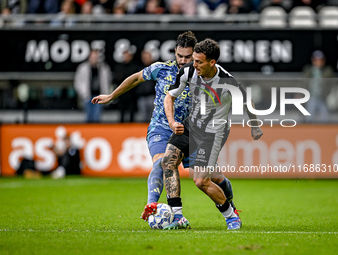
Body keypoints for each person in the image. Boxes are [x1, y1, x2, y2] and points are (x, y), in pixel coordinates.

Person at [91, 32, 237, 221]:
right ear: (175, 52)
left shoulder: (202, 72)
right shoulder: (160, 69)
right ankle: (153, 205)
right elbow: (135, 78)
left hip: (191, 131)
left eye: (188, 57)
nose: (183, 60)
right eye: (180, 55)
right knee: (162, 162)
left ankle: (230, 205)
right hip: (161, 127)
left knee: (214, 177)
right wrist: (111, 96)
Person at [161, 38, 263, 230]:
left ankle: (231, 216)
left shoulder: (227, 81)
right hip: (190, 126)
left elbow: (247, 102)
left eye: (198, 61)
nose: (194, 64)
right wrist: (172, 121)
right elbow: (170, 96)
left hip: (213, 133)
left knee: (200, 181)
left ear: (212, 62)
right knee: (168, 162)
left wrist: (255, 125)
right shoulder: (187, 71)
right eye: (194, 60)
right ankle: (177, 216)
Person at [74, 48, 111, 123]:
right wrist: (83, 93)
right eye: (93, 56)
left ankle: (96, 133)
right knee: (88, 116)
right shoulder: (83, 68)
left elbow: (107, 81)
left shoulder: (103, 68)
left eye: (96, 56)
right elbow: (78, 82)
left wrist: (106, 93)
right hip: (87, 96)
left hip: (99, 96)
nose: (95, 58)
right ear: (89, 56)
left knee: (96, 117)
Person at [303, 50, 335, 123]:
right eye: (316, 60)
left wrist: (328, 93)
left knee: (325, 118)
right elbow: (304, 83)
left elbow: (331, 83)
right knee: (309, 118)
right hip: (311, 97)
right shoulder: (308, 70)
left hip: (323, 98)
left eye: (320, 60)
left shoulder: (327, 71)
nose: (318, 62)